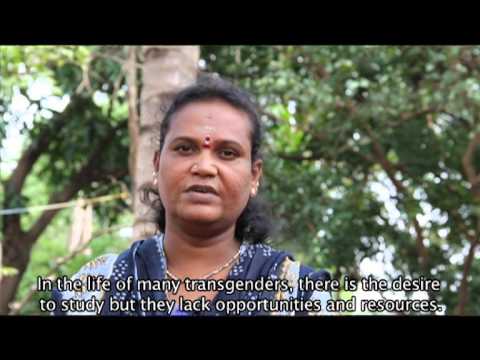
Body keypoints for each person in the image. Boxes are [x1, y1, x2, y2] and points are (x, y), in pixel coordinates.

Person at [52, 74, 331, 316]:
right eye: (185, 148)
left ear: (254, 176)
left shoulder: (298, 295)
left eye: (227, 153)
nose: (205, 167)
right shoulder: (95, 290)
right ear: (157, 165)